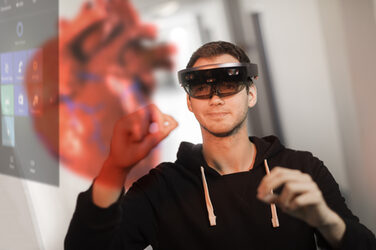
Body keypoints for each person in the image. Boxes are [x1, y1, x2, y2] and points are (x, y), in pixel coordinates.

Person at [65, 41, 376, 249]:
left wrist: (325, 220)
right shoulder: (160, 189)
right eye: (201, 87)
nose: (215, 98)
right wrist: (114, 169)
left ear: (250, 94)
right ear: (189, 101)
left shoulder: (302, 169)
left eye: (228, 84)